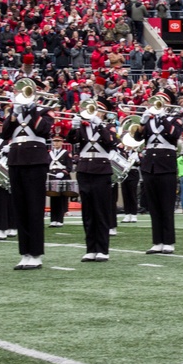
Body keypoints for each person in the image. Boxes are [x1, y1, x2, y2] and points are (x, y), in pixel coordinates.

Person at [1, 82, 54, 270]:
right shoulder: (13, 112)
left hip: (35, 161)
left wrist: (32, 111)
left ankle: (36, 253)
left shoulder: (44, 111)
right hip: (16, 160)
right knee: (20, 209)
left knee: (34, 207)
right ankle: (25, 252)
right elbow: (4, 133)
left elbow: (43, 130)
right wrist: (13, 115)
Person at [131, 92, 183, 254]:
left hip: (166, 165)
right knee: (153, 205)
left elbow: (175, 134)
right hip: (150, 166)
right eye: (156, 101)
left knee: (166, 205)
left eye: (162, 101)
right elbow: (138, 138)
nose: (157, 104)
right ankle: (157, 241)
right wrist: (142, 122)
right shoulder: (149, 120)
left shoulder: (174, 119)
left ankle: (168, 241)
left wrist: (163, 119)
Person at [67, 100, 116, 262]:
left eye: (99, 111)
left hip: (101, 171)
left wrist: (100, 125)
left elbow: (110, 142)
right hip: (84, 170)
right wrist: (73, 127)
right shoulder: (83, 127)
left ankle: (102, 249)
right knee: (87, 212)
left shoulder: (108, 128)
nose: (95, 113)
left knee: (101, 211)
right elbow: (72, 140)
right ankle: (90, 248)